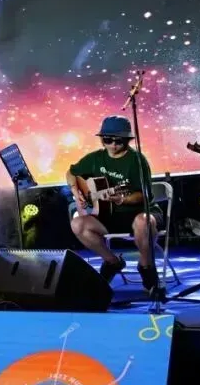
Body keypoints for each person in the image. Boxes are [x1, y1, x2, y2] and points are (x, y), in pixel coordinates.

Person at [66, 115, 161, 290]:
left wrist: (123, 199)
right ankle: (112, 261)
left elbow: (143, 195)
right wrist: (75, 191)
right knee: (77, 223)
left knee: (143, 221)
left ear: (127, 140)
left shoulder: (137, 161)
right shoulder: (95, 158)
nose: (113, 145)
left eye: (119, 141)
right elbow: (71, 172)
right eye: (108, 140)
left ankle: (146, 266)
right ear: (102, 139)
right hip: (108, 215)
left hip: (138, 212)